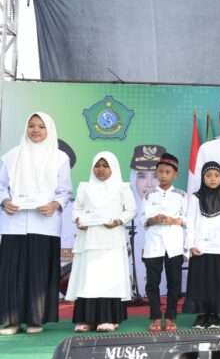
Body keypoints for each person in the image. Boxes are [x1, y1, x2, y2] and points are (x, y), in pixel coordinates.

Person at [0, 113, 72, 335]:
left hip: (45, 224)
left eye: (41, 126)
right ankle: (11, 321)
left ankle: (35, 320)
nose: (35, 130)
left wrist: (55, 204)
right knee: (12, 272)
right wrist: (4, 201)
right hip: (14, 223)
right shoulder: (10, 156)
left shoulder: (60, 158)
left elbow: (65, 191)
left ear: (49, 129)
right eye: (31, 126)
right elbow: (1, 186)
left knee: (38, 272)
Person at [67, 152, 135, 332]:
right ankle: (86, 319)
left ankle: (109, 318)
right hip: (89, 239)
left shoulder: (122, 187)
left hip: (111, 239)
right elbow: (76, 209)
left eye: (105, 166)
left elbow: (130, 210)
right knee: (89, 278)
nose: (101, 170)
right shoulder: (85, 187)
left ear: (113, 167)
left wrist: (118, 221)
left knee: (109, 278)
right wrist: (78, 220)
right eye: (97, 165)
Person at [184, 161, 220, 329]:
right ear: (202, 178)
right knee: (200, 281)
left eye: (216, 176)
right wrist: (191, 244)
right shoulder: (195, 198)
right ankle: (201, 315)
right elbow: (190, 222)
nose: (213, 179)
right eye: (208, 175)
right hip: (200, 247)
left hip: (219, 248)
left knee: (217, 281)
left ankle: (213, 315)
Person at [142, 153, 187, 332]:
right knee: (152, 283)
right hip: (153, 244)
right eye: (160, 172)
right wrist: (153, 219)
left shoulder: (181, 195)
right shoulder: (149, 195)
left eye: (167, 172)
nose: (163, 175)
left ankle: (170, 317)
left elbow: (187, 219)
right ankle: (154, 316)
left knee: (174, 282)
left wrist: (173, 220)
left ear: (175, 174)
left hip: (174, 245)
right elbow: (142, 218)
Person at [129, 144, 166, 298]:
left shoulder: (176, 205)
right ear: (133, 179)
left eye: (155, 176)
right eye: (142, 176)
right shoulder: (125, 214)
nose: (149, 183)